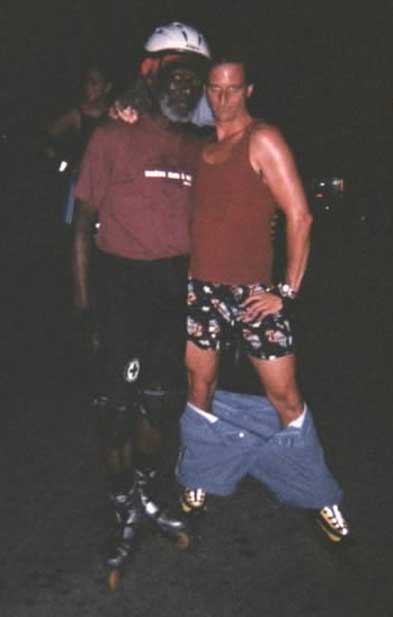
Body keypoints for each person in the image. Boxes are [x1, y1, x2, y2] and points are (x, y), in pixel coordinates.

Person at [176, 55, 351, 544]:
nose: (223, 98)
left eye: (232, 88)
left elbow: (301, 217)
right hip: (203, 288)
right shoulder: (203, 146)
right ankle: (200, 477)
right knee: (199, 386)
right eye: (215, 88)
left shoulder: (262, 139)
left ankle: (319, 493)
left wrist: (286, 292)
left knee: (285, 396)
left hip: (254, 293)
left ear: (248, 90)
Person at [72, 22, 210, 588]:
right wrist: (85, 308)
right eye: (174, 75)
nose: (184, 86)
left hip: (173, 291)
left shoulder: (198, 144)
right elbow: (81, 226)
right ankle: (121, 508)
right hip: (120, 290)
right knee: (115, 411)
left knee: (159, 404)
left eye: (193, 79)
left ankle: (149, 494)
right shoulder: (112, 135)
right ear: (151, 74)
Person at [46, 63, 113, 224]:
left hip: (106, 183)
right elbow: (47, 136)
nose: (88, 87)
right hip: (80, 183)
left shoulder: (114, 115)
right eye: (87, 82)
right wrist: (60, 159)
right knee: (74, 224)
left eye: (94, 83)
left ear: (107, 87)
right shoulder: (77, 114)